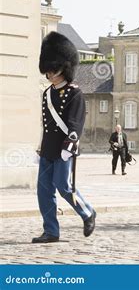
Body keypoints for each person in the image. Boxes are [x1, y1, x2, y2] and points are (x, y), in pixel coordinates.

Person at [33, 31, 96, 243]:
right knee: (44, 191)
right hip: (49, 148)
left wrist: (69, 144)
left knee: (63, 186)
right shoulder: (47, 93)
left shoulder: (74, 93)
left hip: (64, 149)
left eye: (52, 69)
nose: (49, 74)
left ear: (63, 66)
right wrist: (41, 145)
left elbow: (75, 122)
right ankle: (51, 230)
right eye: (47, 70)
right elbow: (46, 123)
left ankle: (87, 212)